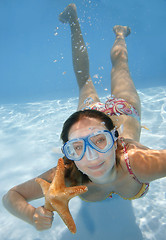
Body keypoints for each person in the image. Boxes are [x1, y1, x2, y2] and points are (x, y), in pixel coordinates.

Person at [2, 3, 166, 232]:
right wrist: (32, 215)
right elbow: (12, 196)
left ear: (116, 140)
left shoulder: (137, 164)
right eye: (77, 147)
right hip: (95, 112)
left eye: (101, 141)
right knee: (86, 78)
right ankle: (73, 20)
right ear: (68, 153)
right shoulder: (69, 173)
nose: (91, 157)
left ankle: (119, 33)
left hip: (122, 111)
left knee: (116, 67)